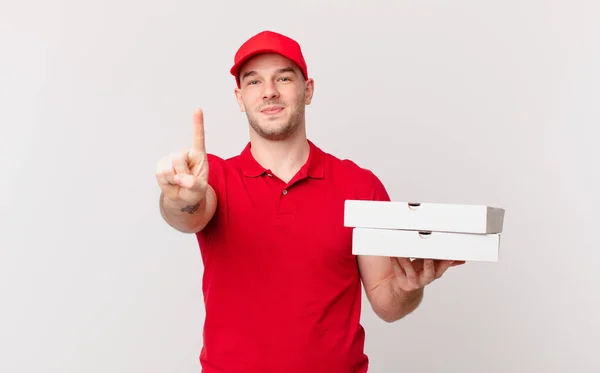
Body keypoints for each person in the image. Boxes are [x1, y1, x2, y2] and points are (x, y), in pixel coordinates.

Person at [155, 30, 463, 373]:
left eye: (283, 78)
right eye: (254, 82)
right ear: (240, 99)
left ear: (308, 90)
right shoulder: (215, 179)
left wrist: (407, 287)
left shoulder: (359, 185)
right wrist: (182, 198)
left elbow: (387, 303)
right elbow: (187, 216)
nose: (269, 91)